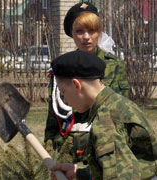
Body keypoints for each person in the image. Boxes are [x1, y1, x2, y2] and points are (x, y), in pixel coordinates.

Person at [45, 2, 130, 179]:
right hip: (67, 149)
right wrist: (50, 150)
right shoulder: (61, 68)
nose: (86, 37)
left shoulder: (113, 65)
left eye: (92, 31)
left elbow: (121, 114)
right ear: (72, 34)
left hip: (100, 148)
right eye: (80, 31)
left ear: (99, 32)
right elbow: (53, 118)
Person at [49, 50, 157, 180]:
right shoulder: (118, 104)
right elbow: (126, 164)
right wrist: (79, 174)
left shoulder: (105, 121)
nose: (65, 100)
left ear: (76, 85)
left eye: (63, 92)